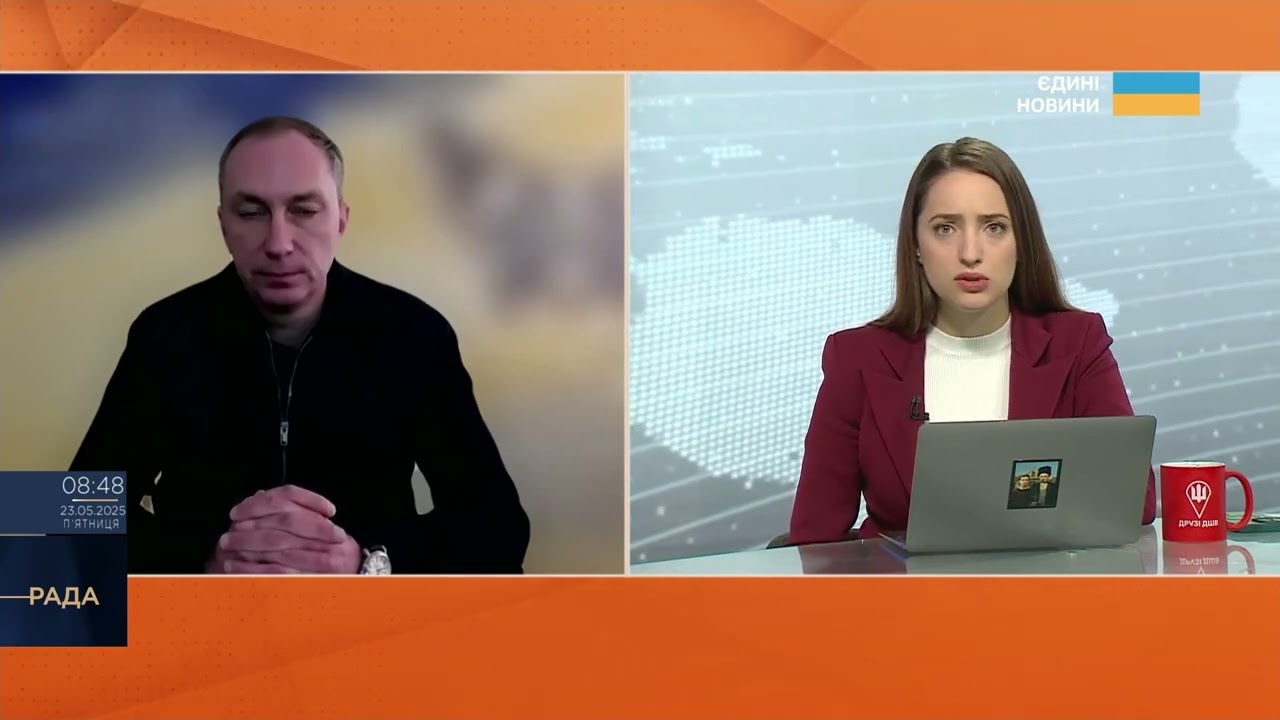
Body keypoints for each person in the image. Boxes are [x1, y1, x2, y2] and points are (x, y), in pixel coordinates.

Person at [71, 116, 530, 574]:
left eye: (304, 210)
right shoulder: (164, 336)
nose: (279, 244)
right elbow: (70, 518)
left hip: (366, 615)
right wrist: (207, 561)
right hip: (204, 616)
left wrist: (366, 562)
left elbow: (500, 526)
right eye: (252, 212)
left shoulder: (414, 336)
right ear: (223, 224)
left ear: (341, 219)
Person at [788, 137, 1156, 544]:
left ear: (1021, 242)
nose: (970, 252)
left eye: (994, 227)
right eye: (945, 228)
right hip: (903, 584)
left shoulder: (1077, 344)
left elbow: (1132, 501)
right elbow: (815, 535)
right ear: (916, 245)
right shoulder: (858, 358)